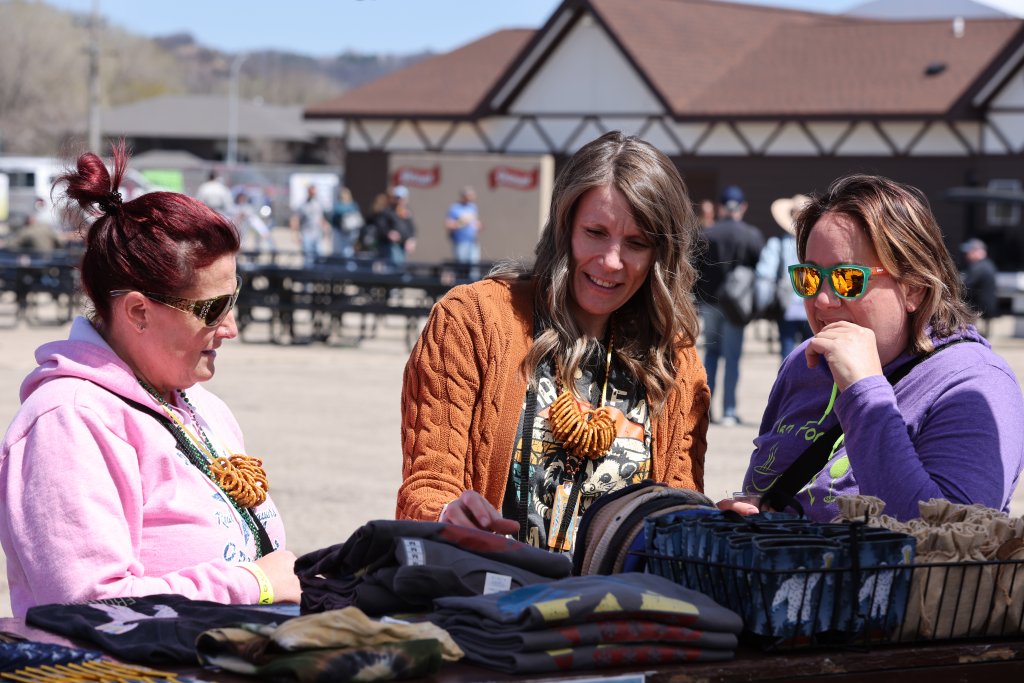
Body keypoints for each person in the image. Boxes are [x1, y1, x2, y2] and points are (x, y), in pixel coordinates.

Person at [0, 144, 299, 617]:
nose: (231, 327)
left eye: (233, 298)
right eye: (212, 309)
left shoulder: (203, 406)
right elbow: (88, 604)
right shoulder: (68, 421)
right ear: (138, 311)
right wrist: (251, 585)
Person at [397, 131, 710, 553]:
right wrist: (446, 514)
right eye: (595, 232)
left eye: (636, 243)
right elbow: (428, 485)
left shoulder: (675, 360)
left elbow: (678, 514)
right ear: (564, 228)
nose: (611, 261)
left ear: (661, 256)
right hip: (488, 602)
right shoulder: (473, 320)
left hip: (613, 610)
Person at [723, 174, 1024, 523]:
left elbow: (951, 537)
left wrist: (863, 391)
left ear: (914, 288)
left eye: (846, 279)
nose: (821, 300)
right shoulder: (804, 363)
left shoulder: (975, 382)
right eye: (809, 277)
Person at [696, 185, 765, 426]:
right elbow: (760, 268)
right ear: (743, 207)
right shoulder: (752, 234)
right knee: (733, 358)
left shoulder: (707, 234)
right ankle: (729, 411)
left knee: (711, 357)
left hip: (710, 302)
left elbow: (694, 268)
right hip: (737, 305)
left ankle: (705, 410)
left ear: (720, 207)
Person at [755, 194, 813, 360]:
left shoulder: (777, 243)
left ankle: (790, 385)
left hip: (786, 305)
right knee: (814, 356)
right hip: (812, 304)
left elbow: (765, 273)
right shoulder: (815, 243)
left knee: (787, 356)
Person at [368, 185, 416, 266]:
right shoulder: (387, 211)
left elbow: (411, 229)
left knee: (400, 270)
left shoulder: (406, 213)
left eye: (402, 198)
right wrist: (388, 234)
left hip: (402, 247)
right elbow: (380, 227)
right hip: (390, 248)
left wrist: (411, 239)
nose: (400, 200)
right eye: (398, 198)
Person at [961, 237, 998, 336]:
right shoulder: (989, 264)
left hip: (978, 308)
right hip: (987, 306)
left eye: (969, 252)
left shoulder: (979, 267)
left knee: (975, 334)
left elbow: (966, 285)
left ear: (978, 252)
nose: (967, 255)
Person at [289, 184, 329, 265]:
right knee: (308, 258)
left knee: (319, 257)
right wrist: (295, 234)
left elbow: (321, 218)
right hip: (306, 234)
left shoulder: (318, 204)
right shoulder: (303, 205)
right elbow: (295, 219)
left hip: (317, 234)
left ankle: (318, 276)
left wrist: (326, 228)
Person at [445, 185, 483, 269]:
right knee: (462, 267)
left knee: (474, 267)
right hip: (461, 242)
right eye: (470, 195)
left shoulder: (473, 207)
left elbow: (475, 223)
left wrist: (478, 226)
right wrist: (461, 222)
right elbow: (449, 225)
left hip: (473, 242)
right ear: (464, 196)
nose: (472, 198)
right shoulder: (455, 208)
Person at [233, 189, 275, 254]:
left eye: (243, 197)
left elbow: (254, 221)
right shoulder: (232, 207)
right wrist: (238, 217)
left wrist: (263, 231)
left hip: (242, 238)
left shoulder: (248, 209)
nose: (242, 199)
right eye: (240, 197)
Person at [330, 186, 364, 259]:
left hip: (347, 231)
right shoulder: (353, 205)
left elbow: (334, 219)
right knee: (347, 249)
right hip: (344, 231)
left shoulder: (340, 206)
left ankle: (346, 265)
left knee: (345, 250)